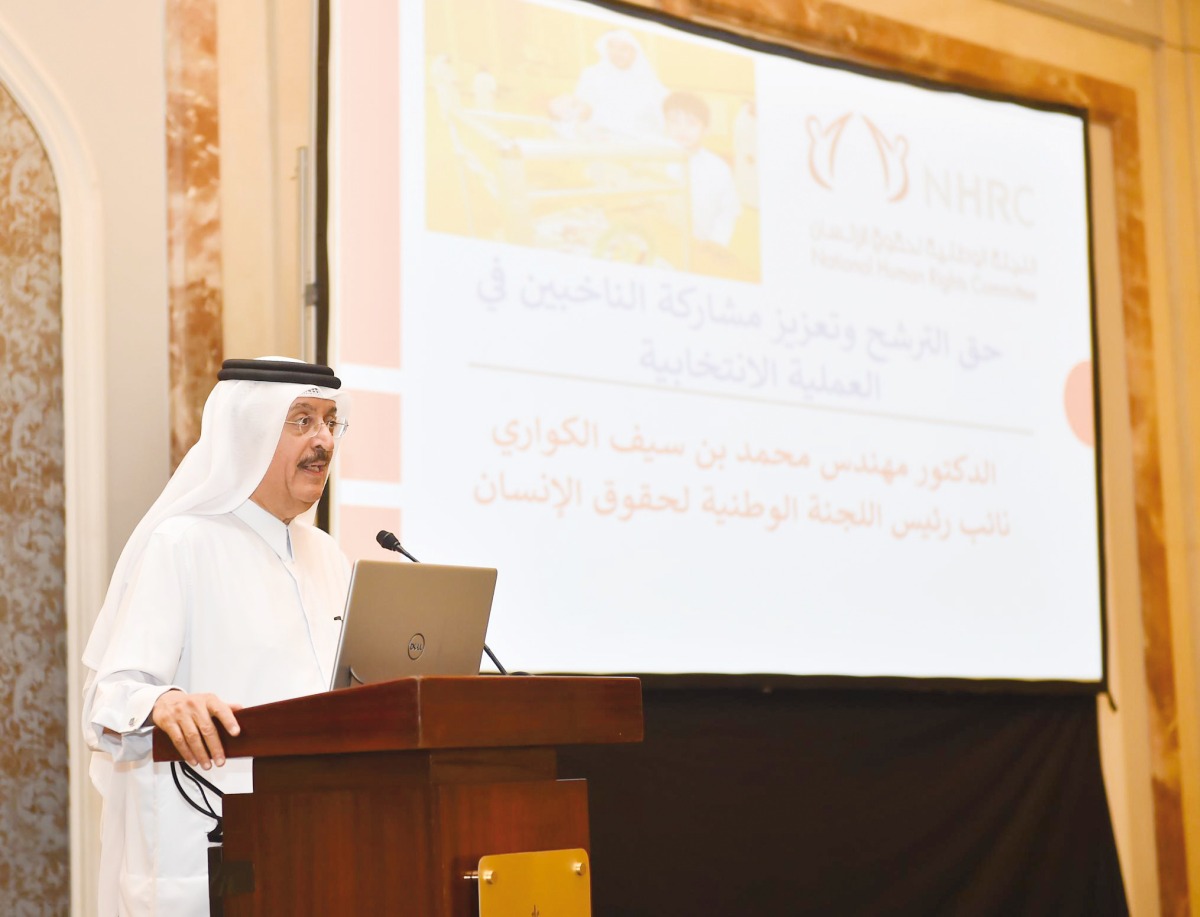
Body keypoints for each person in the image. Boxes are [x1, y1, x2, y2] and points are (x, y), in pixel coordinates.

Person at [81, 357, 352, 917]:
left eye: (330, 421)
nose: (323, 439)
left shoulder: (328, 555)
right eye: (300, 420)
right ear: (248, 431)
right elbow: (108, 697)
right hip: (206, 861)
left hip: (320, 849)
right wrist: (165, 701)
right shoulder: (182, 543)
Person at [550, 29, 667, 138]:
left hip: (642, 145)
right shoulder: (592, 74)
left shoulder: (648, 81)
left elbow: (663, 119)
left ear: (635, 51)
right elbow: (573, 114)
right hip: (598, 145)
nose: (616, 53)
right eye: (612, 47)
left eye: (623, 48)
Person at [663, 90, 742, 248]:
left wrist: (716, 242)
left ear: (706, 130)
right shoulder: (656, 160)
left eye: (691, 123)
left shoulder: (718, 168)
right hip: (663, 240)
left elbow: (729, 210)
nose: (682, 129)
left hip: (702, 245)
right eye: (674, 121)